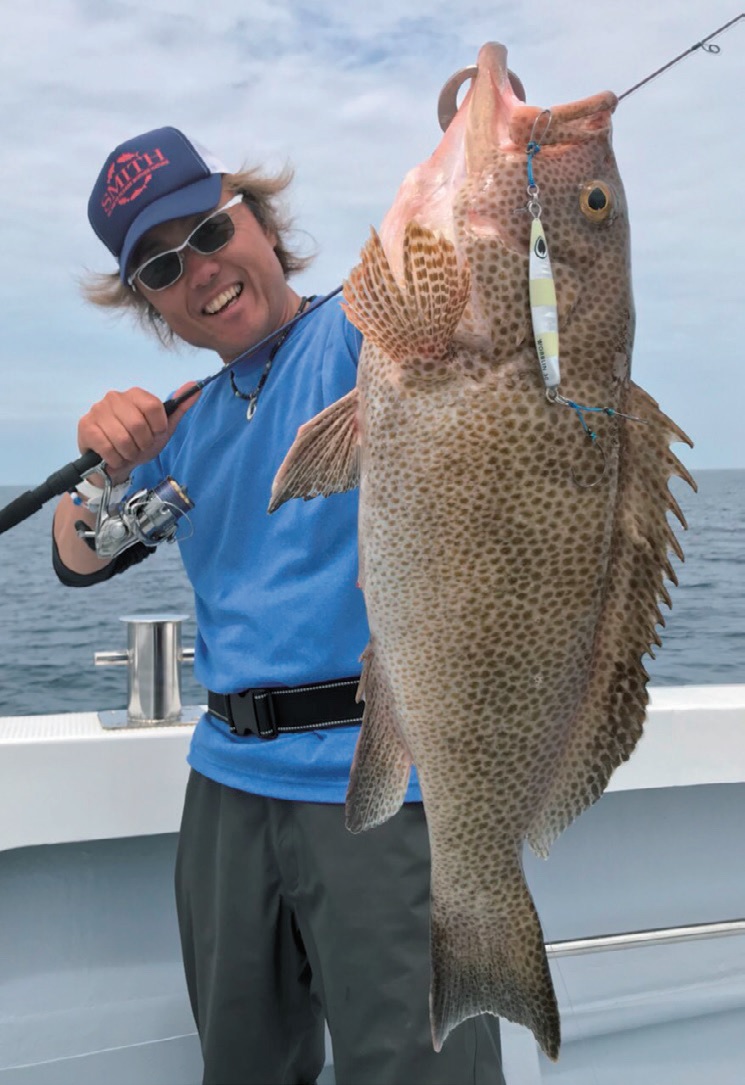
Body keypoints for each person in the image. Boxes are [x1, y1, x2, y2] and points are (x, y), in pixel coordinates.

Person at [53, 126, 505, 1085]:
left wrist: (482, 140)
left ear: (258, 220)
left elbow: (470, 281)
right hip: (225, 787)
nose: (200, 271)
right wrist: (104, 471)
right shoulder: (184, 421)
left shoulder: (363, 334)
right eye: (162, 267)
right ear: (150, 304)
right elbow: (78, 558)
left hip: (379, 780)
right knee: (242, 1067)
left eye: (210, 231)